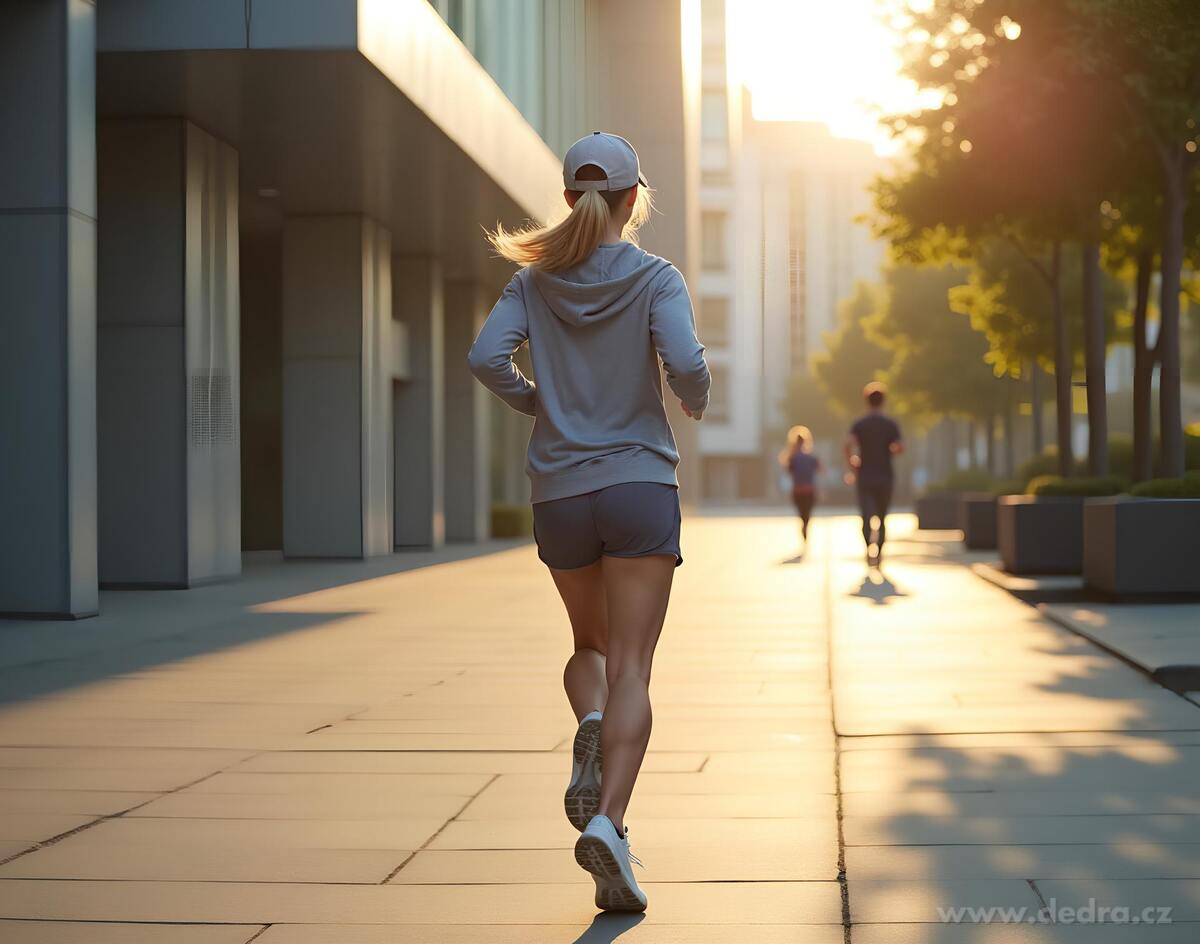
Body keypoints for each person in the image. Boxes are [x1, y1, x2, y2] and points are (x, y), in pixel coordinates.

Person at [467, 131, 710, 913]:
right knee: (636, 661)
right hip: (639, 485)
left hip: (561, 494)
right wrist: (693, 402)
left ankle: (593, 720)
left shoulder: (533, 282)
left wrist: (537, 401)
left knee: (591, 649)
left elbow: (484, 358)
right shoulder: (655, 277)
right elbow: (688, 363)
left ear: (570, 198)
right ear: (635, 199)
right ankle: (610, 821)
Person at [844, 382, 903, 568]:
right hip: (885, 475)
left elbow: (847, 444)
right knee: (883, 517)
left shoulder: (860, 424)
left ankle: (868, 547)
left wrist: (853, 462)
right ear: (883, 401)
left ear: (867, 401)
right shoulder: (890, 424)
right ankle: (880, 551)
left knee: (866, 515)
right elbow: (899, 447)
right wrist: (890, 451)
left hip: (865, 476)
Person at [779, 425, 821, 551]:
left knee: (802, 513)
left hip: (797, 490)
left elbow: (788, 471)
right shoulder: (811, 457)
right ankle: (805, 528)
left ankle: (804, 529)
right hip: (809, 490)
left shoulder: (792, 458)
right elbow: (820, 469)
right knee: (807, 515)